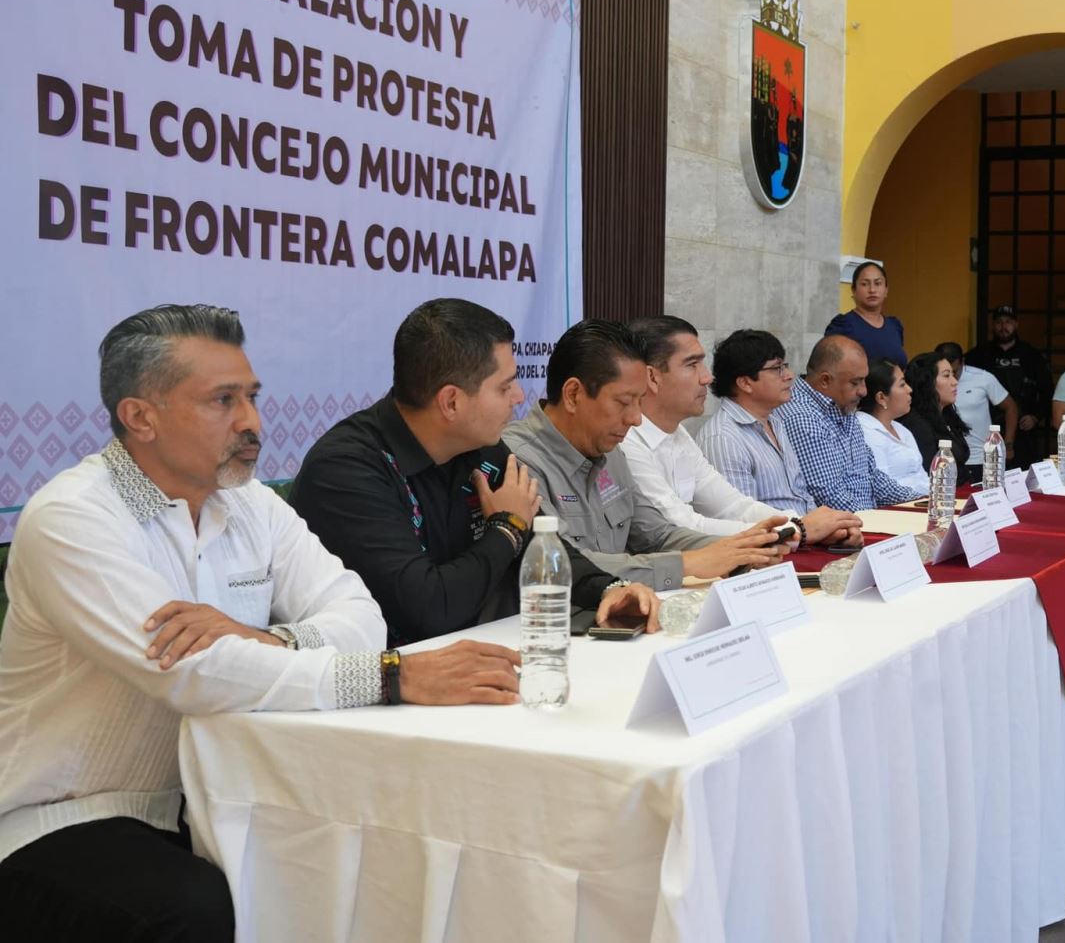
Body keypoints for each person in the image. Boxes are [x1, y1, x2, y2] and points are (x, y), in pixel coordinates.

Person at [0, 305, 523, 942]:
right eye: (223, 401)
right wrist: (391, 679)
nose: (251, 422)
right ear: (140, 417)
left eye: (251, 396)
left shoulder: (247, 501)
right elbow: (191, 673)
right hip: (69, 815)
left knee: (387, 857)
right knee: (196, 907)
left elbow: (359, 616)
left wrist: (267, 638)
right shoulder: (73, 519)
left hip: (230, 789)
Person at [293, 299, 653, 645]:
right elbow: (429, 608)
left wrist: (610, 589)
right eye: (505, 386)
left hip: (462, 667)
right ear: (451, 402)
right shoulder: (346, 471)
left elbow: (541, 544)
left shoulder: (480, 446)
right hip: (374, 685)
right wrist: (507, 526)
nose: (518, 397)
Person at [504, 320, 786, 600]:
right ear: (574, 395)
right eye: (624, 402)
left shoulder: (610, 451)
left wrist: (741, 549)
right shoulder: (518, 460)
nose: (635, 418)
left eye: (639, 401)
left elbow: (656, 535)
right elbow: (564, 564)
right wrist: (689, 563)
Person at [618, 316, 861, 544]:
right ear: (651, 377)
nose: (706, 377)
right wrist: (797, 529)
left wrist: (800, 525)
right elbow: (682, 526)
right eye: (692, 365)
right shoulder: (626, 442)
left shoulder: (678, 434)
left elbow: (733, 505)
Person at [775, 335, 923, 511]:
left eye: (864, 380)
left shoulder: (842, 404)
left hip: (866, 519)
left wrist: (920, 503)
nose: (864, 391)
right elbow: (828, 496)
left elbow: (872, 476)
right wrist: (877, 520)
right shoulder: (802, 417)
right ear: (825, 380)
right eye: (855, 382)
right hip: (848, 526)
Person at [698, 329, 823, 515]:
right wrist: (808, 531)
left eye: (785, 366)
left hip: (805, 534)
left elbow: (802, 496)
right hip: (777, 540)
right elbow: (742, 523)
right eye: (777, 368)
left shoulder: (776, 422)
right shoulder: (724, 438)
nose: (789, 375)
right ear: (745, 383)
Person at [965, 305, 1054, 464]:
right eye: (999, 322)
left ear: (1016, 324)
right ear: (993, 325)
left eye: (1008, 322)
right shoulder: (978, 355)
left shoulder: (1031, 355)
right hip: (989, 429)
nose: (1003, 327)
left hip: (1024, 430)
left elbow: (1047, 391)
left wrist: (1035, 417)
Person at [935, 341, 1019, 473]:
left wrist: (1008, 445)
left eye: (954, 372)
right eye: (946, 374)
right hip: (946, 459)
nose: (952, 378)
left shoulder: (983, 378)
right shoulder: (931, 382)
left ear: (962, 361)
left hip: (982, 459)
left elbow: (1011, 407)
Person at [857, 358, 930, 494]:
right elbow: (883, 488)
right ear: (881, 398)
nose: (910, 389)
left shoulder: (902, 430)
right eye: (902, 385)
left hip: (922, 503)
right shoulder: (865, 430)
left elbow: (922, 477)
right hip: (897, 508)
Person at [899, 350, 972, 477]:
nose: (955, 382)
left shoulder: (947, 415)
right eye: (946, 375)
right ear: (927, 382)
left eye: (953, 374)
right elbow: (930, 473)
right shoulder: (916, 424)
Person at [824, 261, 907, 365]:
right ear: (854, 290)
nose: (872, 290)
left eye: (878, 283)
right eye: (864, 284)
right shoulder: (843, 325)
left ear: (886, 290)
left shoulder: (894, 326)